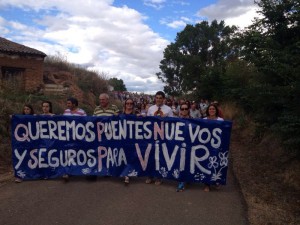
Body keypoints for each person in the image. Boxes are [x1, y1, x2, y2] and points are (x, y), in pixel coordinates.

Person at [146, 91, 173, 185]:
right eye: (157, 98)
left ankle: (159, 177)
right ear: (155, 98)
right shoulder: (150, 109)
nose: (158, 99)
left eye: (160, 98)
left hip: (163, 136)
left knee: (160, 156)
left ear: (163, 99)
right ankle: (150, 175)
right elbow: (146, 122)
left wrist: (165, 119)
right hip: (151, 136)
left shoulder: (168, 109)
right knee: (151, 155)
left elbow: (172, 123)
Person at [90, 93, 119, 181]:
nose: (101, 101)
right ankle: (99, 170)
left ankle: (108, 171)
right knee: (100, 153)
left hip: (111, 135)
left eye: (103, 99)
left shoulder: (114, 108)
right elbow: (93, 120)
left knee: (109, 153)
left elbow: (118, 119)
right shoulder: (96, 109)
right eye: (100, 99)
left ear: (107, 100)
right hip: (99, 136)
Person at [62, 97, 86, 181]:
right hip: (68, 137)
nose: (67, 105)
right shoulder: (66, 112)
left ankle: (79, 170)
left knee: (79, 154)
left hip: (79, 138)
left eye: (69, 103)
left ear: (74, 104)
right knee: (68, 155)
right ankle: (68, 172)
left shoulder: (82, 112)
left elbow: (86, 123)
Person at [203, 104, 224, 192]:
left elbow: (224, 132)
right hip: (206, 145)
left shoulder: (221, 120)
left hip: (217, 145)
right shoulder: (203, 120)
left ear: (216, 110)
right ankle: (207, 184)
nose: (212, 110)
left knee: (216, 163)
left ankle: (216, 181)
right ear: (208, 110)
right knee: (206, 164)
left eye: (213, 109)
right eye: (210, 109)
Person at [15, 104, 35, 183]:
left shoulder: (35, 118)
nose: (26, 111)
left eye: (28, 109)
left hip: (33, 142)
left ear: (31, 110)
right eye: (25, 109)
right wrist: (13, 117)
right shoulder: (20, 118)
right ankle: (20, 176)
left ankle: (37, 174)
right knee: (23, 159)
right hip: (23, 142)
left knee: (34, 159)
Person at [120, 98, 136, 185]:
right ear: (125, 105)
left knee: (129, 157)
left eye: (131, 103)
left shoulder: (136, 114)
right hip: (122, 139)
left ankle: (127, 175)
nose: (129, 105)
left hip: (132, 139)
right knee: (123, 157)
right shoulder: (120, 114)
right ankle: (124, 173)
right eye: (127, 103)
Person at [176, 102, 191, 192]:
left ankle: (186, 179)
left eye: (186, 109)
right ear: (180, 110)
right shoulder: (176, 120)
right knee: (181, 162)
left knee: (188, 162)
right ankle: (181, 181)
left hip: (189, 145)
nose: (184, 110)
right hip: (179, 145)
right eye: (182, 109)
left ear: (188, 110)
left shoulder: (194, 120)